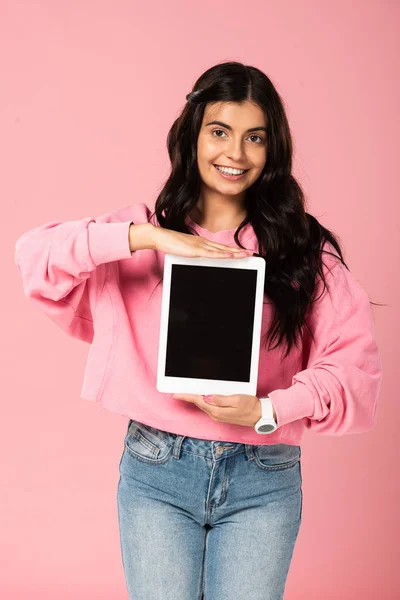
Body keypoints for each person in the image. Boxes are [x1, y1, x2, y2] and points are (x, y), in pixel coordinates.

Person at [14, 61, 383, 600]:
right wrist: (153, 238)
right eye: (219, 131)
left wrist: (268, 409)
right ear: (192, 135)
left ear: (272, 149)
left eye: (254, 137)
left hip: (263, 474)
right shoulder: (141, 233)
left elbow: (354, 367)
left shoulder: (303, 250)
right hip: (156, 469)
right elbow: (34, 257)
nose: (235, 153)